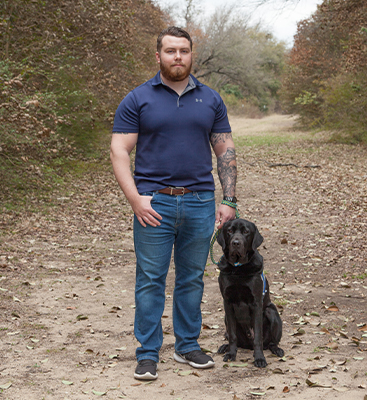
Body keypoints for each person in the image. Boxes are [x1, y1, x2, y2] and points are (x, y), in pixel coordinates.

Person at [110, 26, 237, 381]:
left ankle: (186, 346)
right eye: (170, 51)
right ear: (158, 56)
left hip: (199, 202)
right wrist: (135, 198)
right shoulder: (138, 99)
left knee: (192, 278)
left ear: (191, 54)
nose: (177, 57)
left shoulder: (210, 99)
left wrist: (228, 199)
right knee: (150, 279)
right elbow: (120, 150)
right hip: (154, 204)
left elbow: (225, 149)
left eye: (183, 50)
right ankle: (148, 353)